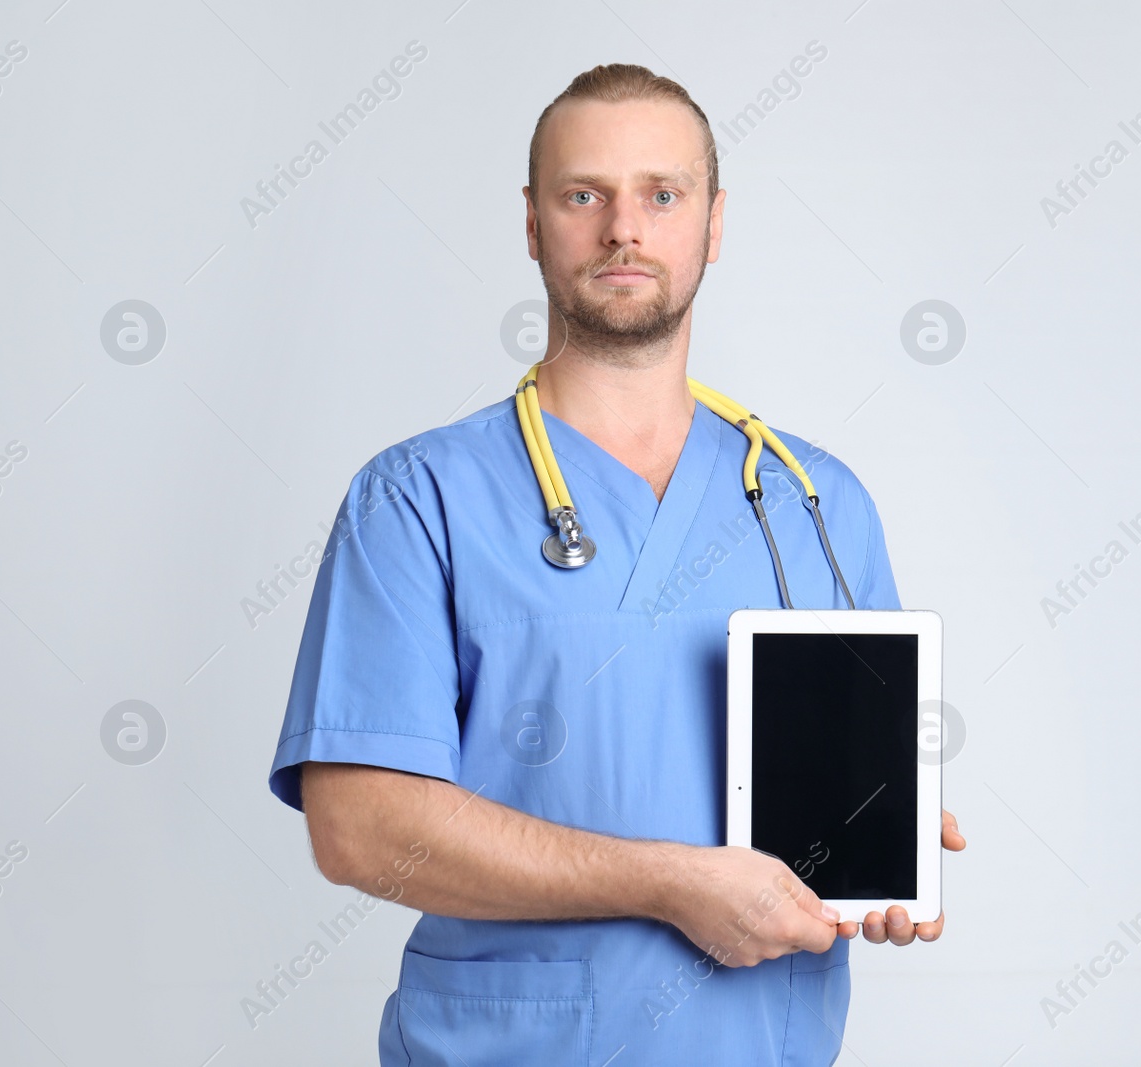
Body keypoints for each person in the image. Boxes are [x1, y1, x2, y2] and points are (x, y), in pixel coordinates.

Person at [267, 62, 966, 1066]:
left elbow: (854, 776)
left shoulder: (819, 500)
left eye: (662, 194)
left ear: (713, 224)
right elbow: (360, 828)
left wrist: (880, 840)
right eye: (583, 194)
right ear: (531, 220)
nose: (623, 229)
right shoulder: (419, 497)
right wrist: (667, 880)